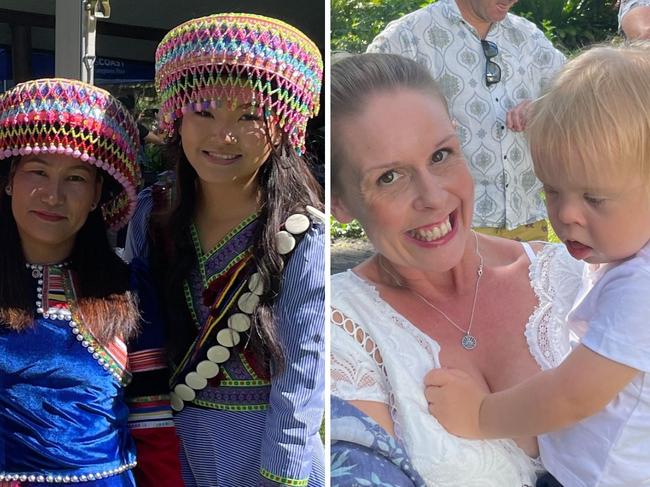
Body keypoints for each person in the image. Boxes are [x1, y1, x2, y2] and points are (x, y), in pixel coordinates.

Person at [329, 52, 584, 486]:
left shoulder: (577, 277)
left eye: (441, 155)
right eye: (389, 177)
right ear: (338, 203)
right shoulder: (337, 326)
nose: (433, 196)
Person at [426, 42, 650, 487]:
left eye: (593, 198)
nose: (565, 214)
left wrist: (482, 415)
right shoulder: (625, 256)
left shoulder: (640, 288)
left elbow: (573, 395)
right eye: (552, 190)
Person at [124, 13, 325, 487]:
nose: (223, 135)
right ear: (177, 116)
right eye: (205, 111)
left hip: (263, 448)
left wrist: (284, 470)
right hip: (166, 446)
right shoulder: (151, 214)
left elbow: (302, 371)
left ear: (284, 125)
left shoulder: (300, 232)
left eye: (250, 116)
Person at [0, 79, 182, 486]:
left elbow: (153, 425)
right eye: (37, 172)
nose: (52, 195)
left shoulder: (128, 291)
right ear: (9, 180)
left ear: (99, 192)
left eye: (76, 179)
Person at [366, 0, 566, 241]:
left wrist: (543, 108)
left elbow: (576, 95)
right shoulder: (407, 38)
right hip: (441, 224)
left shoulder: (528, 38)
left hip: (527, 221)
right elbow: (365, 120)